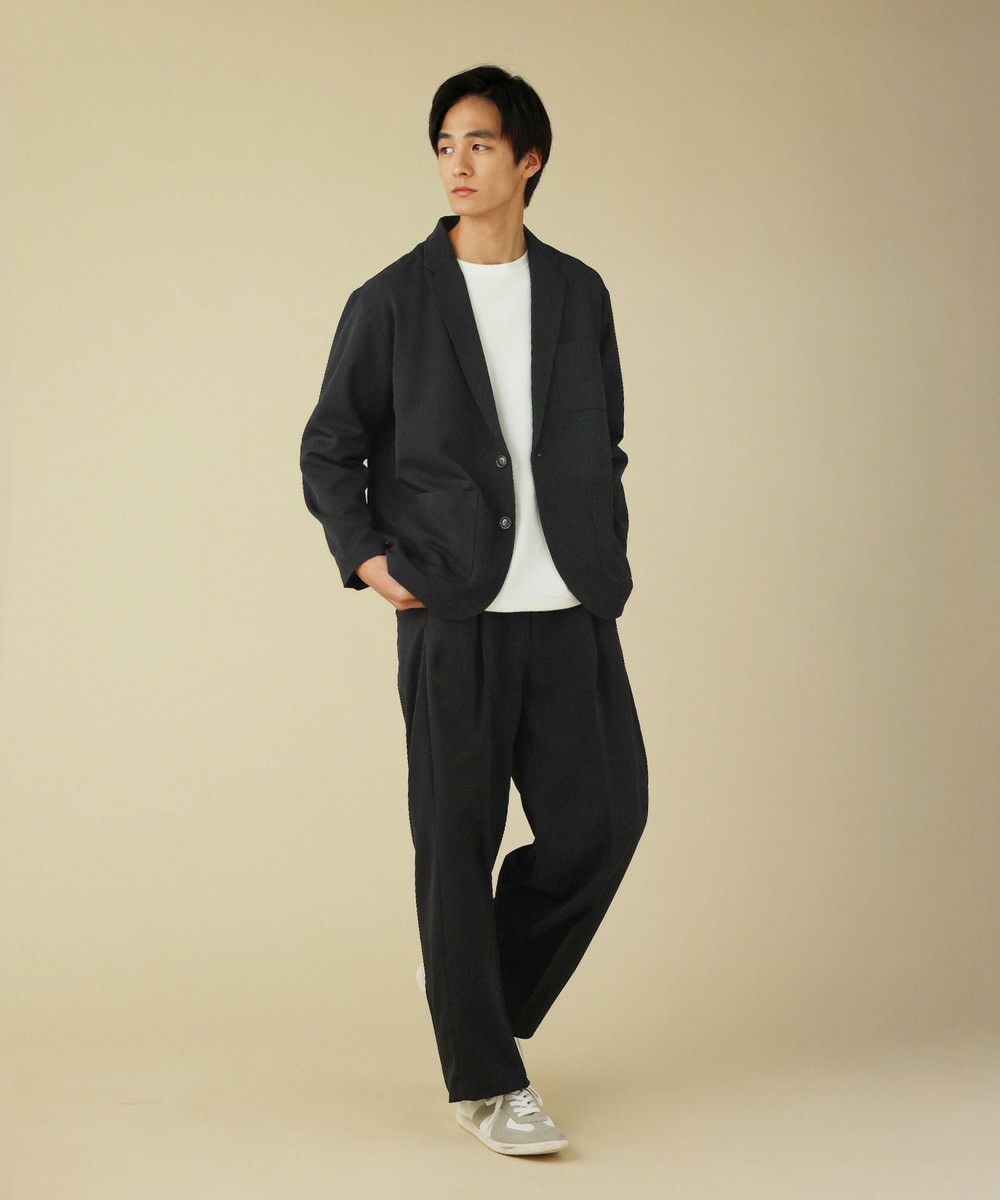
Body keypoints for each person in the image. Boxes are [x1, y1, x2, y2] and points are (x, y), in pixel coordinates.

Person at [299, 64, 648, 1157]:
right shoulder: (391, 300)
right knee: (456, 844)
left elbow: (604, 440)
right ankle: (488, 1082)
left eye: (480, 144)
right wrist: (368, 559)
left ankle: (467, 979)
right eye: (445, 144)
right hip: (453, 612)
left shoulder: (579, 293)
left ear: (528, 161)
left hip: (571, 606)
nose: (457, 162)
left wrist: (603, 538)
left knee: (604, 824)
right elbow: (329, 447)